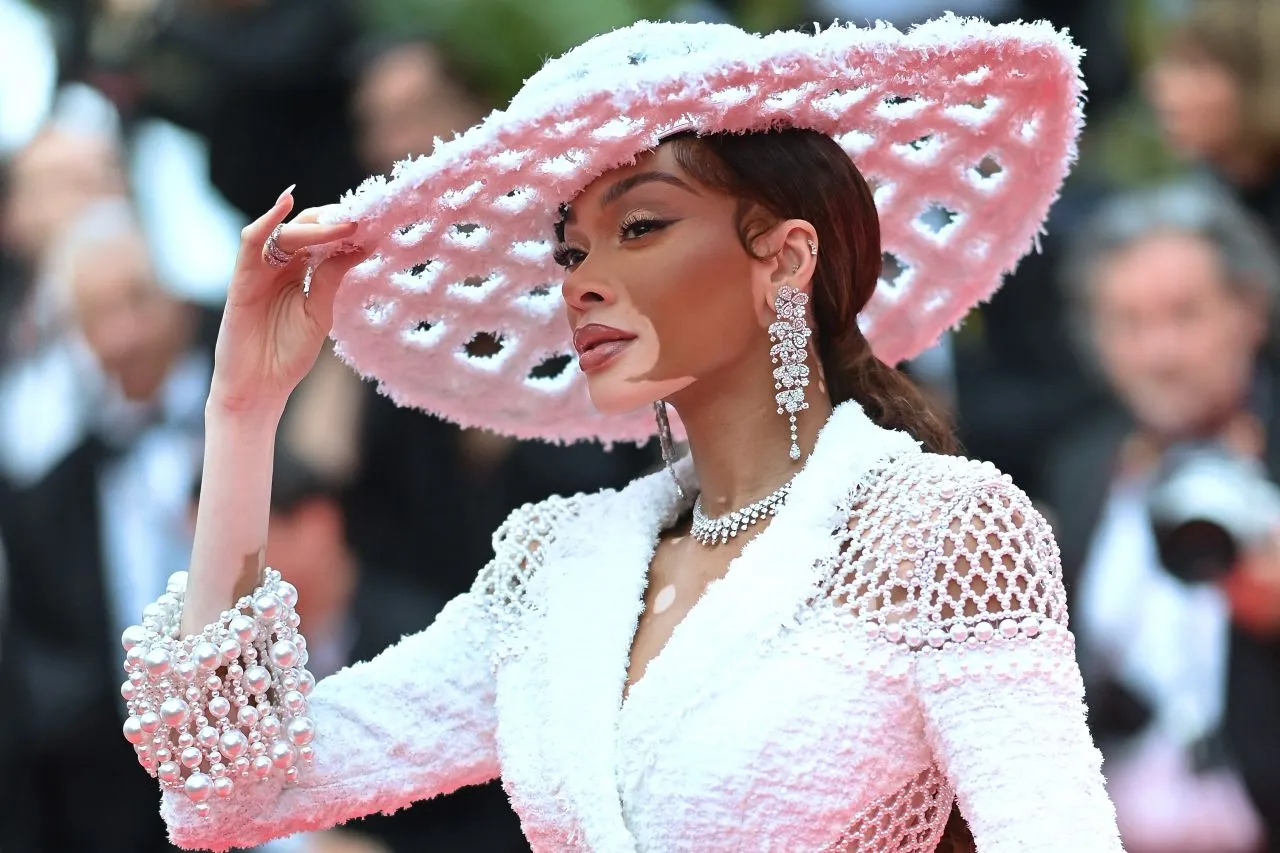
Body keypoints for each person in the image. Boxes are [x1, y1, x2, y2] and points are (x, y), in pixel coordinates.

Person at [118, 18, 1121, 852]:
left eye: (639, 226)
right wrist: (242, 412)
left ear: (783, 256)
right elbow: (228, 791)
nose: (582, 279)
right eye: (569, 247)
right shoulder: (560, 573)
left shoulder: (942, 529)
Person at [1044, 182, 1280, 852]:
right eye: (1128, 323)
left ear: (1250, 310)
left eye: (1185, 315)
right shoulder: (1082, 466)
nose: (1159, 353)